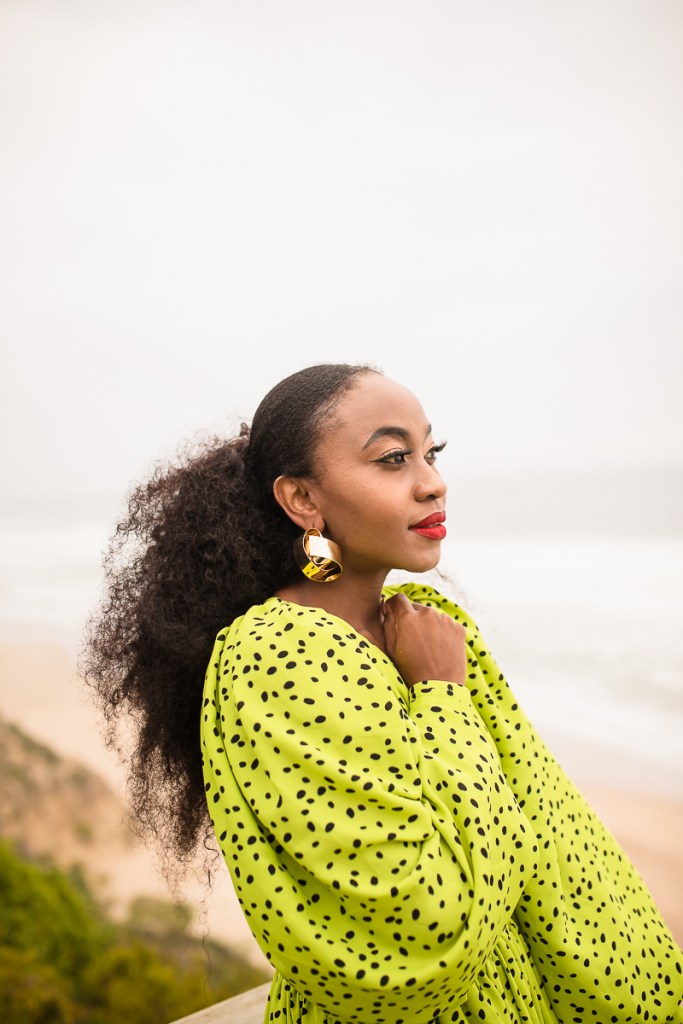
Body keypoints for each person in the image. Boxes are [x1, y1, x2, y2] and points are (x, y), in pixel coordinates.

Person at [83, 362, 683, 1024]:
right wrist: (441, 696)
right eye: (393, 458)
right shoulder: (279, 655)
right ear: (302, 501)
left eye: (432, 452)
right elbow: (424, 930)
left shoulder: (415, 620)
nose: (433, 482)